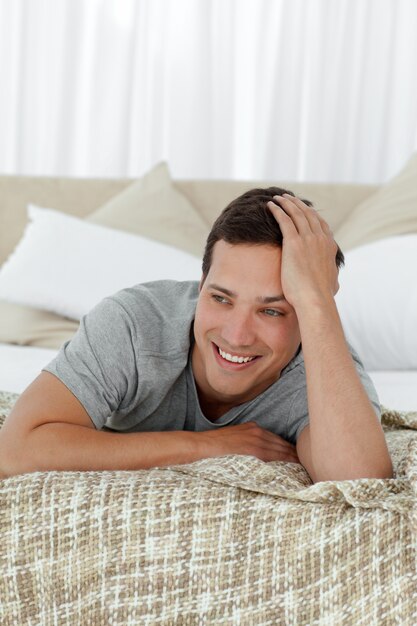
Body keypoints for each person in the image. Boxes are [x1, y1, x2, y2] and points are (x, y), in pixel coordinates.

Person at [0, 188, 393, 483]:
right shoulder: (135, 325)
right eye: (221, 298)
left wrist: (317, 301)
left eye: (272, 310)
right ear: (201, 282)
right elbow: (15, 452)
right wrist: (206, 446)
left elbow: (359, 483)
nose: (237, 336)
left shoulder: (325, 371)